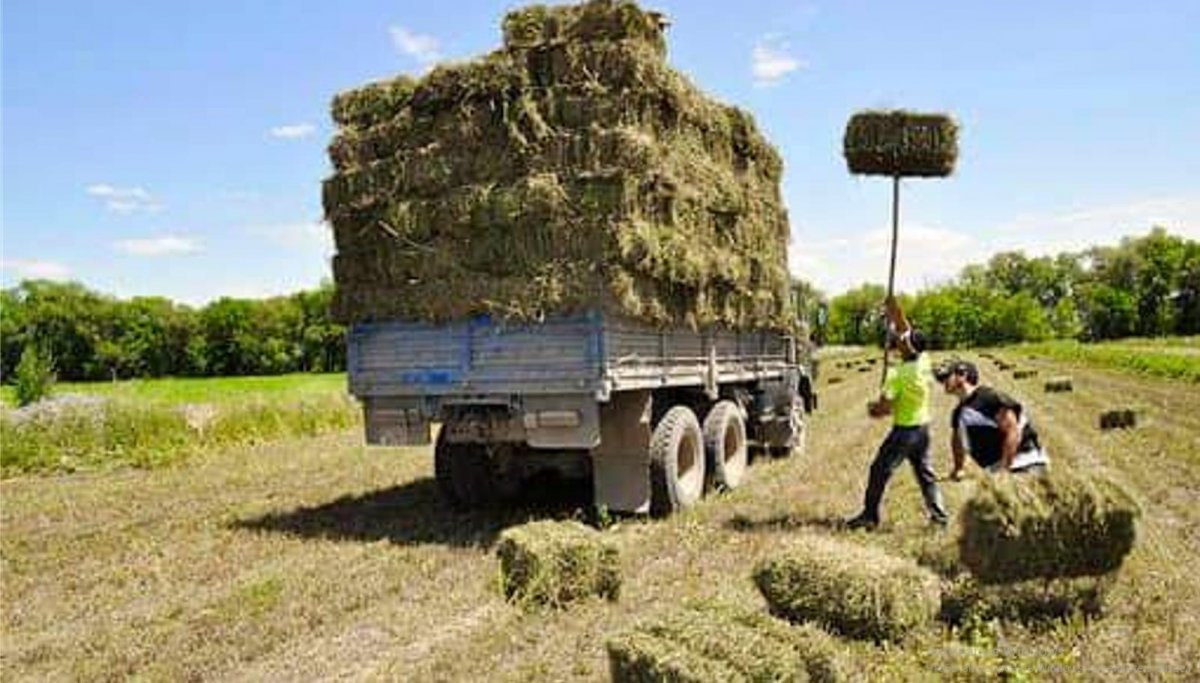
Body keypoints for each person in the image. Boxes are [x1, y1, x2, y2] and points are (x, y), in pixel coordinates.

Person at [846, 297, 949, 530]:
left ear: (908, 347)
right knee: (925, 475)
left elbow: (884, 409)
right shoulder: (923, 361)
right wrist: (894, 308)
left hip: (904, 432)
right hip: (923, 429)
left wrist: (873, 408)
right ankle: (940, 518)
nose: (898, 339)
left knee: (879, 471)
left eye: (902, 340)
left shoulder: (897, 375)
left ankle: (869, 516)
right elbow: (904, 327)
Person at [935, 360, 1050, 477]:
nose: (942, 382)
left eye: (946, 377)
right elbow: (957, 442)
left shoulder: (988, 397)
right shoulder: (958, 413)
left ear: (963, 375)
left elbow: (1012, 431)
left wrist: (1005, 470)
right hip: (997, 471)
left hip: (1025, 463)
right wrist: (958, 468)